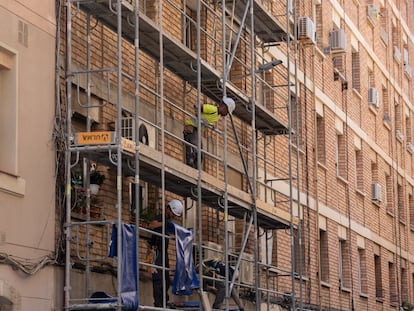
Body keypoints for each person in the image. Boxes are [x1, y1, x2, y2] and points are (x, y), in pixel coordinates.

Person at [147, 199, 184, 308]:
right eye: (173, 213)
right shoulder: (161, 217)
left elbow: (172, 231)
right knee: (158, 278)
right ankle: (158, 303)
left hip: (164, 252)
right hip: (156, 251)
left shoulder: (168, 221)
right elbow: (151, 225)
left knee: (166, 279)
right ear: (168, 209)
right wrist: (164, 223)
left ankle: (164, 301)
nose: (173, 216)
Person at [183, 97, 236, 168]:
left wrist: (211, 125)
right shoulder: (213, 109)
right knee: (194, 150)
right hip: (192, 128)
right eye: (227, 112)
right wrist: (202, 119)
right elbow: (198, 107)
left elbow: (208, 120)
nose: (226, 114)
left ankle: (196, 170)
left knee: (200, 154)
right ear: (224, 107)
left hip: (197, 131)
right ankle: (190, 166)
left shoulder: (217, 116)